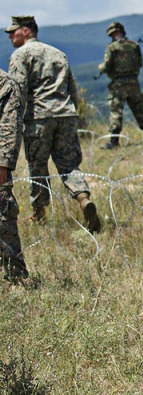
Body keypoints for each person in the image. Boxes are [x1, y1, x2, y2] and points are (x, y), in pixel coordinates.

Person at [6, 15, 101, 233]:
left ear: (27, 31)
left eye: (14, 31)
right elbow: (71, 86)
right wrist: (73, 111)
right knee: (69, 164)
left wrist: (12, 119)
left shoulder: (20, 55)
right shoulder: (59, 53)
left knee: (38, 166)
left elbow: (18, 90)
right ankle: (84, 199)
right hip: (65, 114)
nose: (11, 35)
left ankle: (39, 214)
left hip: (38, 116)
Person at [97, 21, 143, 149]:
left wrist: (101, 68)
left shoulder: (112, 48)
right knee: (139, 109)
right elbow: (140, 63)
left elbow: (107, 66)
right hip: (134, 82)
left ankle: (114, 141)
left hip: (118, 84)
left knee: (116, 111)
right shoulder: (134, 45)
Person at [0, 67, 29, 283]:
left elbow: (9, 126)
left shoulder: (3, 83)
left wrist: (4, 163)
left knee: (3, 214)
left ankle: (16, 275)